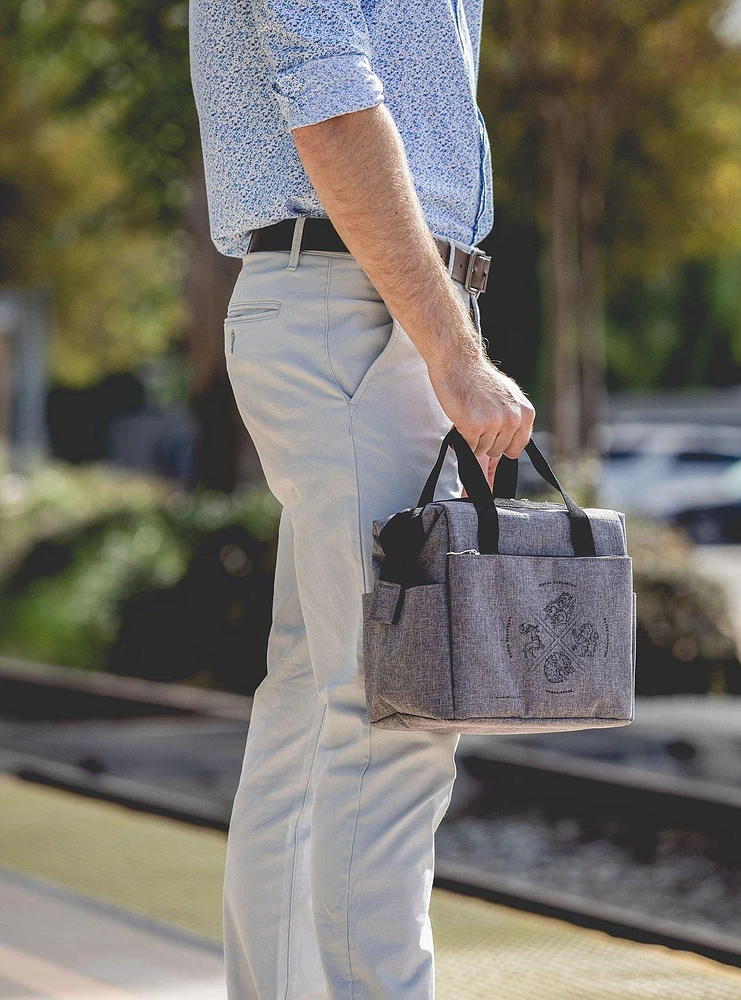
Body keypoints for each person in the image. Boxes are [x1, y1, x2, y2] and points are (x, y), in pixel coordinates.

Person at [189, 1, 535, 996]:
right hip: (362, 310)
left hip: (360, 300)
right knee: (398, 709)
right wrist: (453, 351)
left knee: (317, 702)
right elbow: (331, 102)